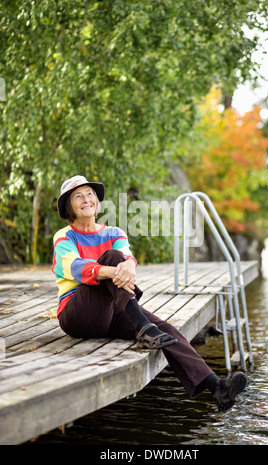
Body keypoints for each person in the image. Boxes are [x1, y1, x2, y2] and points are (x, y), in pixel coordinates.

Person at [52, 175, 247, 412]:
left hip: (111, 311)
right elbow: (75, 268)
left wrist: (129, 266)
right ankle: (143, 328)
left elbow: (128, 256)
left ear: (97, 201)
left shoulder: (113, 232)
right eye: (77, 196)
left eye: (90, 193)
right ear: (68, 207)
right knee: (113, 257)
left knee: (166, 329)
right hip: (77, 314)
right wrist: (115, 269)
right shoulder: (64, 236)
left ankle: (217, 387)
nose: (86, 199)